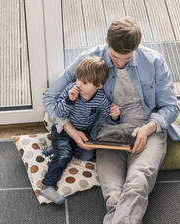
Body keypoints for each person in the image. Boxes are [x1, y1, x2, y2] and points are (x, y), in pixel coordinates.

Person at [43, 17, 180, 223]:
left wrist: (147, 129)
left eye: (127, 59)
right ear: (106, 41)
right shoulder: (89, 60)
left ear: (137, 47)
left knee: (138, 183)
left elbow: (170, 107)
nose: (120, 63)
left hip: (148, 129)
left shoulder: (155, 61)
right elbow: (50, 97)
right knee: (113, 194)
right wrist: (70, 130)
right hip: (107, 134)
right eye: (114, 57)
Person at [40, 56, 120, 205]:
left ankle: (57, 150)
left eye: (84, 82)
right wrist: (69, 100)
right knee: (64, 155)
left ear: (98, 86)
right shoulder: (70, 91)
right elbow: (58, 113)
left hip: (84, 132)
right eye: (78, 79)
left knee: (86, 154)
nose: (78, 84)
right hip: (63, 131)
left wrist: (114, 116)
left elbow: (106, 119)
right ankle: (47, 185)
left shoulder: (101, 99)